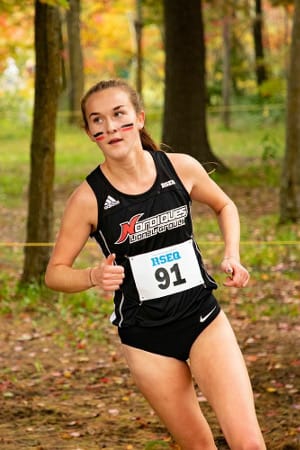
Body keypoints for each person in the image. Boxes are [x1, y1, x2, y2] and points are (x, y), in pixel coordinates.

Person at [45, 79, 266, 450]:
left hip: (202, 320)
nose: (110, 127)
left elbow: (225, 205)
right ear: (89, 133)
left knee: (248, 443)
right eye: (97, 120)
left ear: (140, 118)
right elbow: (55, 273)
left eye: (119, 115)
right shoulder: (87, 199)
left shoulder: (180, 168)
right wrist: (92, 275)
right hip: (146, 340)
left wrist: (232, 253)